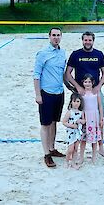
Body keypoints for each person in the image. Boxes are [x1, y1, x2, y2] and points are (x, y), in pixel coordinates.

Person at [65, 31, 104, 157]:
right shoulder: (76, 54)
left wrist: (99, 85)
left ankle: (100, 146)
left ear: (93, 41)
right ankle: (76, 146)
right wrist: (77, 87)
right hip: (81, 93)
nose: (87, 42)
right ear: (82, 40)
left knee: (99, 118)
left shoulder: (98, 54)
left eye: (90, 40)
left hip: (95, 91)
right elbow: (68, 73)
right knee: (79, 119)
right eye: (85, 40)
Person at [33, 27, 67, 168]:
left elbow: (62, 74)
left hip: (59, 92)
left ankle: (52, 148)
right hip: (46, 93)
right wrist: (38, 94)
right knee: (45, 124)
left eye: (58, 35)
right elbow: (36, 75)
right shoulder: (42, 54)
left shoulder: (63, 53)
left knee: (54, 122)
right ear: (49, 36)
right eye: (53, 35)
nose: (56, 38)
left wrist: (72, 87)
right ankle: (46, 154)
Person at [78, 74, 104, 164]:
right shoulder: (82, 94)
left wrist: (101, 118)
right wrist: (82, 118)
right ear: (83, 83)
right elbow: (80, 107)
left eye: (89, 82)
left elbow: (100, 106)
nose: (87, 84)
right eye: (85, 82)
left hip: (94, 118)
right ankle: (81, 156)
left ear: (93, 82)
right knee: (83, 139)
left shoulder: (96, 93)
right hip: (86, 117)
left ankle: (94, 157)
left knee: (94, 139)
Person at [61, 93, 86, 169]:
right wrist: (72, 125)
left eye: (78, 101)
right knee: (70, 149)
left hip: (78, 133)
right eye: (74, 101)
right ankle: (66, 161)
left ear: (80, 103)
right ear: (71, 102)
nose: (76, 103)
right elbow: (64, 122)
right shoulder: (69, 112)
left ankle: (73, 162)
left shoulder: (81, 112)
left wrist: (80, 121)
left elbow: (84, 121)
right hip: (71, 133)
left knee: (76, 148)